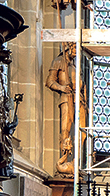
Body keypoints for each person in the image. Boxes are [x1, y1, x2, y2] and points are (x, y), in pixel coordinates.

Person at [45, 43, 87, 175]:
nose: (76, 52)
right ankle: (64, 161)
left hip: (79, 99)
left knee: (83, 132)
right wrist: (62, 88)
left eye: (77, 50)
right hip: (67, 97)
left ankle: (76, 161)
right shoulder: (58, 61)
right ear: (68, 47)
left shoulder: (76, 65)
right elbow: (49, 81)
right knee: (65, 131)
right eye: (74, 49)